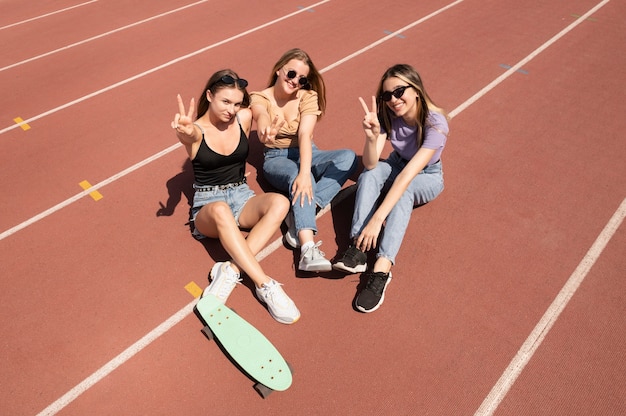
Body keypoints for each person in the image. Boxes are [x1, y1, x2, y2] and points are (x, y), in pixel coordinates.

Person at [172, 69, 300, 324]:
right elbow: (190, 135)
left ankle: (230, 269)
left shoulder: (242, 118)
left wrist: (265, 133)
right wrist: (183, 133)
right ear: (209, 96)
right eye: (225, 102)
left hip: (242, 195)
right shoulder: (196, 129)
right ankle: (265, 285)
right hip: (209, 205)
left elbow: (260, 112)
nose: (231, 109)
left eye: (236, 103)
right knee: (220, 209)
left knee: (280, 202)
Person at [333, 64, 449, 313]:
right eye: (387, 96)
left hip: (426, 175)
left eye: (399, 91)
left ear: (416, 89)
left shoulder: (435, 124)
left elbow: (407, 177)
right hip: (396, 163)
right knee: (371, 174)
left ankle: (381, 271)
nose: (394, 100)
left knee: (402, 192)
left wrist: (377, 219)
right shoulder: (389, 116)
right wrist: (372, 136)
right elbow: (371, 163)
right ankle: (359, 248)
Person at [250, 48, 357, 273]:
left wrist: (304, 172)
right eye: (291, 73)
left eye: (302, 78)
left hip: (308, 150)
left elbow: (305, 136)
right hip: (277, 158)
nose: (295, 81)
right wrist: (265, 133)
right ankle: (307, 249)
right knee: (304, 176)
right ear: (279, 70)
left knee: (347, 157)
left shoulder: (308, 96)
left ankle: (300, 212)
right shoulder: (260, 97)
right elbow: (261, 117)